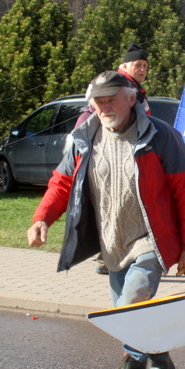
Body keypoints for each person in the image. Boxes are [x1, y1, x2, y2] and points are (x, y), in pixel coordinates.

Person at [27, 71, 185, 369]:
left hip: (150, 239)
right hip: (111, 243)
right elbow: (61, 183)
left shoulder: (160, 137)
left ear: (131, 98)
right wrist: (42, 218)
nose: (104, 107)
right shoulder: (82, 138)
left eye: (111, 99)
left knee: (128, 307)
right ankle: (160, 359)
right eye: (98, 100)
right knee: (130, 314)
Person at [75, 43, 153, 276]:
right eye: (137, 65)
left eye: (145, 66)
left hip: (127, 153)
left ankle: (113, 255)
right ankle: (110, 256)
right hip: (111, 154)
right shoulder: (119, 87)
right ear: (124, 66)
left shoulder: (134, 88)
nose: (142, 69)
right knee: (113, 203)